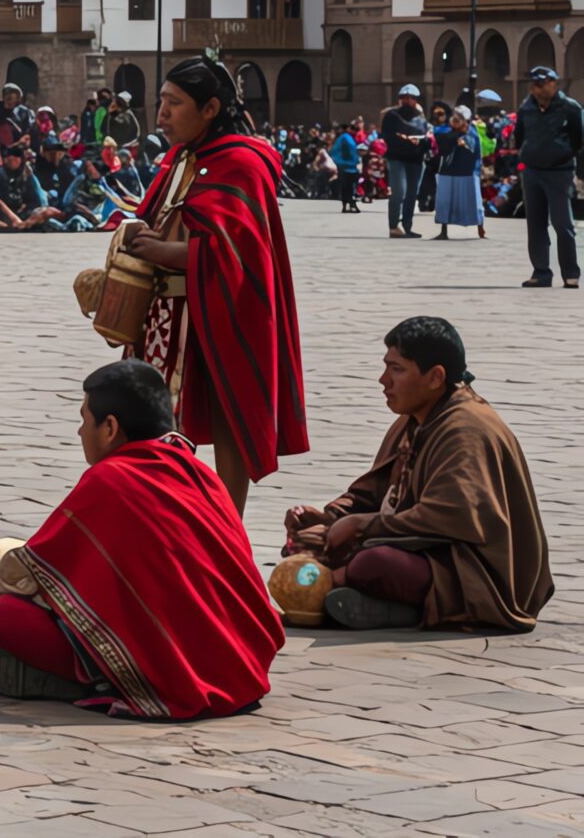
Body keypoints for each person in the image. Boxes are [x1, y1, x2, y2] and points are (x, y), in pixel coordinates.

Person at [0, 360, 280, 719]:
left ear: (110, 427)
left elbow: (31, 564)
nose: (79, 432)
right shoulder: (199, 472)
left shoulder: (112, 479)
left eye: (83, 419)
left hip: (179, 674)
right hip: (243, 661)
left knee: (5, 616)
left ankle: (96, 679)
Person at [119, 56, 307, 514]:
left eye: (174, 102)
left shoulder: (242, 163)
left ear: (210, 109)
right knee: (158, 426)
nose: (160, 113)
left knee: (230, 416)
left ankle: (226, 527)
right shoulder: (183, 156)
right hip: (167, 321)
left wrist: (159, 251)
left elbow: (240, 255)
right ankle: (163, 519)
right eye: (161, 101)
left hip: (221, 315)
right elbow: (160, 219)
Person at [282, 317, 551, 632]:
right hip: (408, 543)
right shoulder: (414, 418)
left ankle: (379, 601)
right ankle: (367, 600)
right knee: (300, 545)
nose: (384, 380)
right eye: (386, 367)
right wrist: (328, 517)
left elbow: (451, 516)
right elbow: (373, 493)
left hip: (472, 573)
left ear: (436, 377)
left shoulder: (467, 429)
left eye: (397, 369)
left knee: (372, 564)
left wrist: (359, 526)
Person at [512, 65, 581, 288]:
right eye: (534, 84)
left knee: (563, 224)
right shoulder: (526, 108)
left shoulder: (569, 108)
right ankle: (541, 272)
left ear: (554, 83)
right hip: (532, 171)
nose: (538, 88)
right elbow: (519, 135)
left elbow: (578, 139)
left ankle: (571, 273)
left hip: (559, 172)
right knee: (536, 223)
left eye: (542, 84)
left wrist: (565, 157)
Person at [379, 83, 431, 238]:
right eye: (404, 98)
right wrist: (406, 140)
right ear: (400, 99)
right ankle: (394, 226)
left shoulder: (421, 119)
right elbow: (387, 136)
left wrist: (421, 142)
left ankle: (407, 226)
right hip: (397, 159)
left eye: (411, 98)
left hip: (416, 161)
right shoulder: (392, 116)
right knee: (398, 192)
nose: (407, 101)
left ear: (416, 100)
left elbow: (428, 140)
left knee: (411, 194)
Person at [431, 106, 485, 239]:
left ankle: (481, 229)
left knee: (475, 201)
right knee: (445, 201)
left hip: (468, 172)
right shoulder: (447, 132)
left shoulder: (472, 133)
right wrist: (454, 140)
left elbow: (476, 152)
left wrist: (476, 171)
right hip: (448, 171)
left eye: (460, 118)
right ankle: (444, 231)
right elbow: (442, 149)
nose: (456, 120)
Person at [0, 147, 60, 233]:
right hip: (2, 214)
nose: (13, 161)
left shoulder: (25, 173)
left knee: (48, 212)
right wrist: (15, 219)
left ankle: (23, 226)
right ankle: (16, 227)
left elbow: (36, 200)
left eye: (16, 158)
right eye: (10, 158)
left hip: (19, 212)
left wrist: (31, 176)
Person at [330, 123, 362, 213]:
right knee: (348, 187)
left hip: (349, 167)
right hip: (347, 167)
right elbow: (336, 151)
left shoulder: (347, 138)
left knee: (348, 187)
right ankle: (349, 204)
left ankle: (348, 204)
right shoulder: (345, 138)